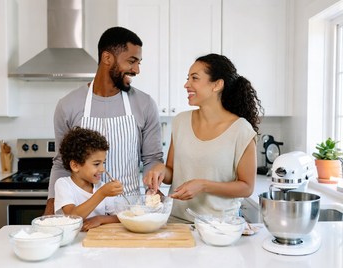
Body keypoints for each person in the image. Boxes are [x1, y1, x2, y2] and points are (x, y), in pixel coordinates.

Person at [44, 26, 164, 215]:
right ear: (107, 58)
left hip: (129, 212)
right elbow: (61, 164)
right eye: (132, 61)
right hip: (85, 212)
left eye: (139, 62)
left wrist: (154, 184)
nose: (137, 70)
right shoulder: (68, 105)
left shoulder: (145, 104)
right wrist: (51, 207)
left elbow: (152, 159)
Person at [144, 53, 263, 223]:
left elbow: (246, 187)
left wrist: (203, 185)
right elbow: (171, 172)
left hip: (219, 227)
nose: (187, 84)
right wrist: (160, 170)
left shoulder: (241, 130)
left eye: (195, 78)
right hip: (176, 222)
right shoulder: (181, 122)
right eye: (188, 78)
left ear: (217, 85)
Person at [54, 127, 123, 231]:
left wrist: (100, 219)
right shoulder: (64, 184)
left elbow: (121, 217)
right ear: (75, 165)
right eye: (96, 164)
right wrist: (101, 194)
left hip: (96, 241)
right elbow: (72, 217)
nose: (102, 169)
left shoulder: (101, 187)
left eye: (103, 163)